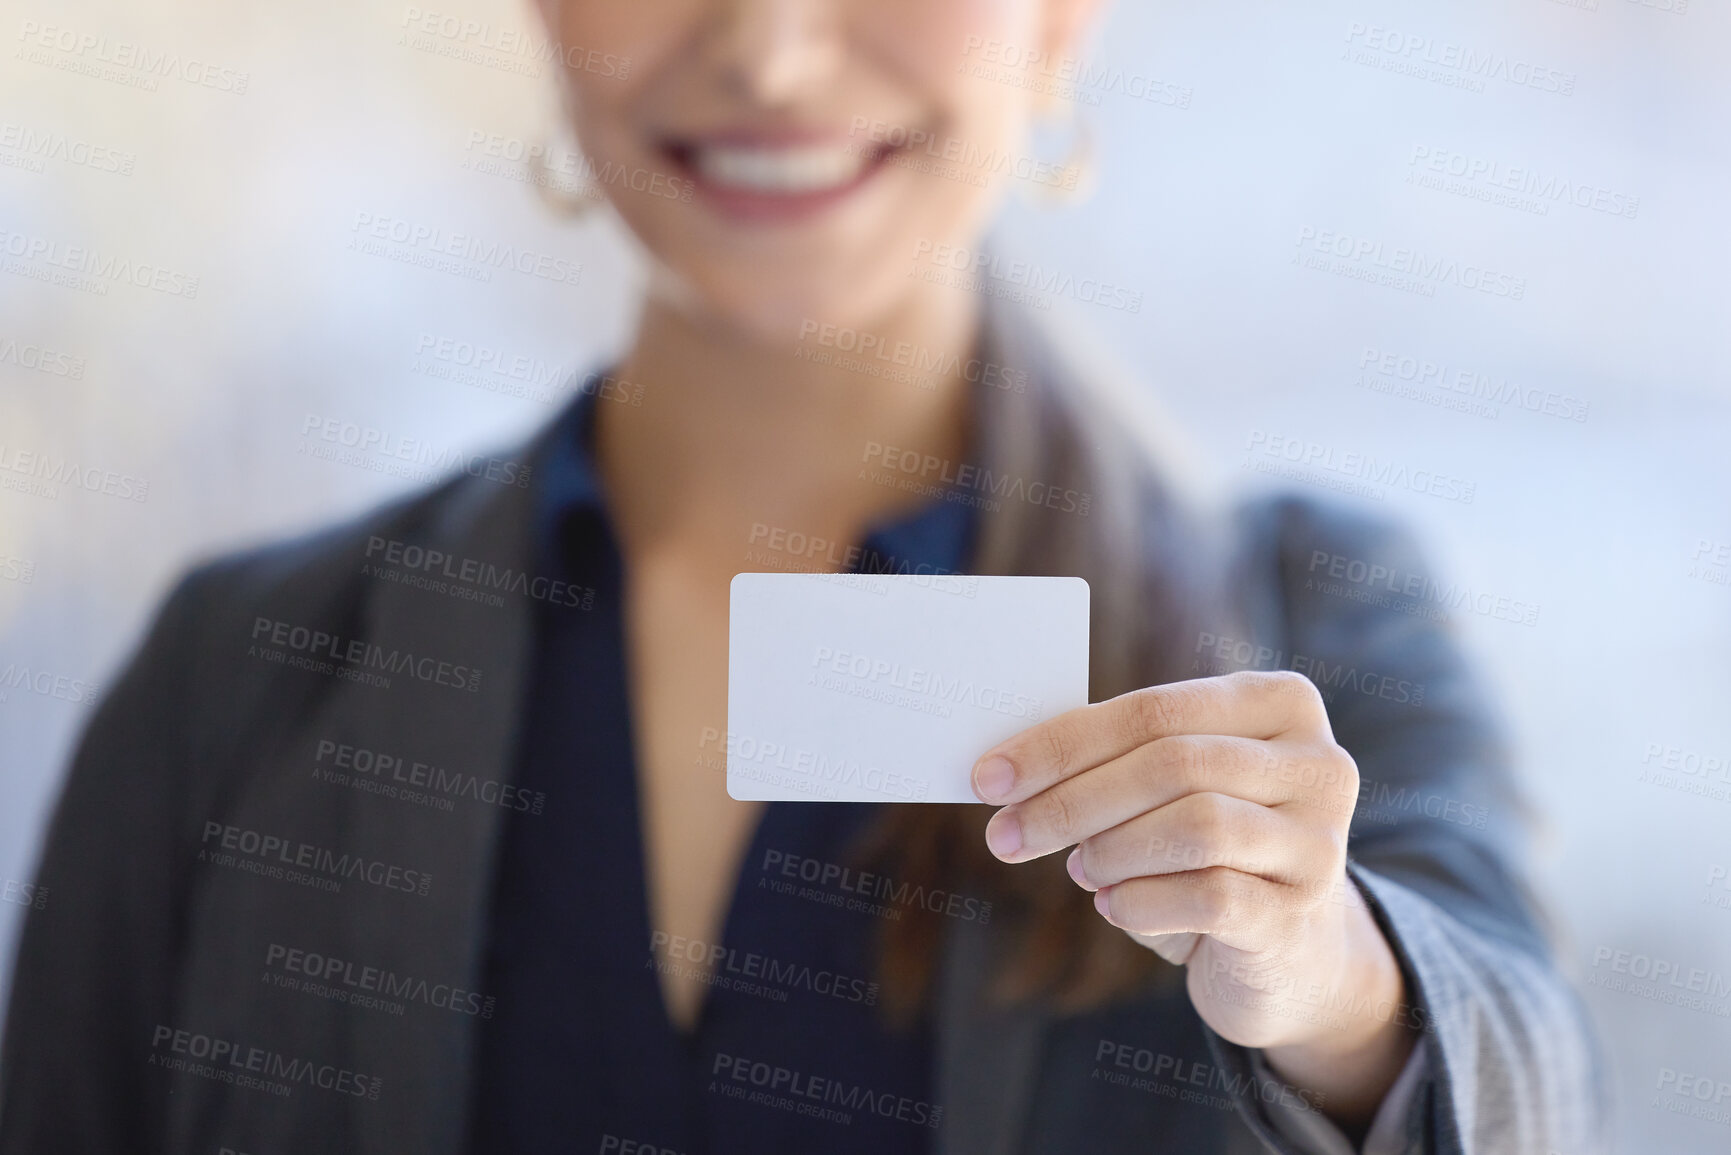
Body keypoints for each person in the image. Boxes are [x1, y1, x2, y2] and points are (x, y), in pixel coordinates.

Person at [0, 0, 1602, 1152]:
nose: (767, 48)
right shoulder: (245, 669)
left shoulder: (1321, 609)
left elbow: (1539, 1102)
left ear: (1061, 23)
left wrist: (1328, 982)